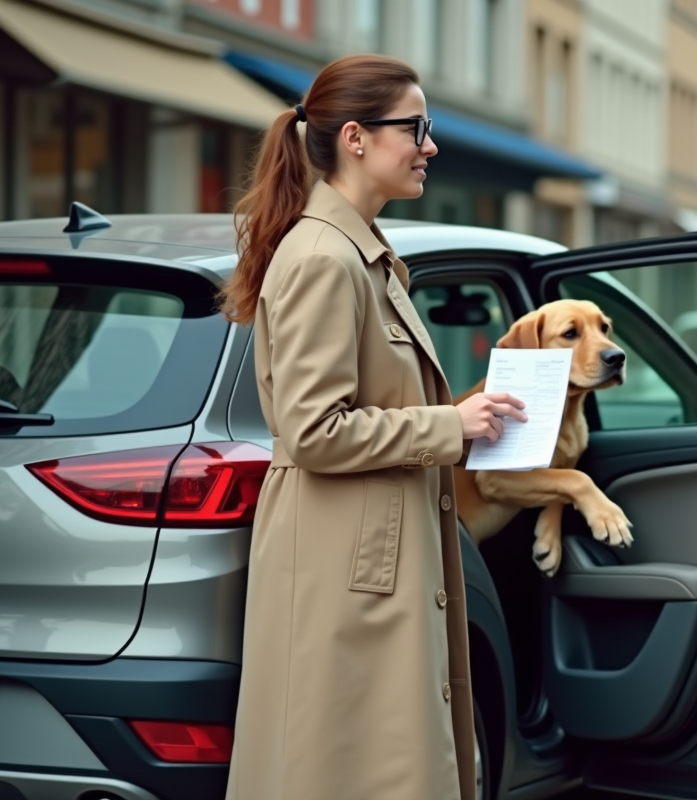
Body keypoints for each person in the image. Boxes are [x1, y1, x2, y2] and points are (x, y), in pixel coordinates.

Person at [217, 55, 527, 800]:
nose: (430, 145)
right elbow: (315, 428)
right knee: (342, 772)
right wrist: (450, 426)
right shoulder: (327, 257)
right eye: (416, 128)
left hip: (361, 559)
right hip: (343, 568)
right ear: (355, 138)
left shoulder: (360, 254)